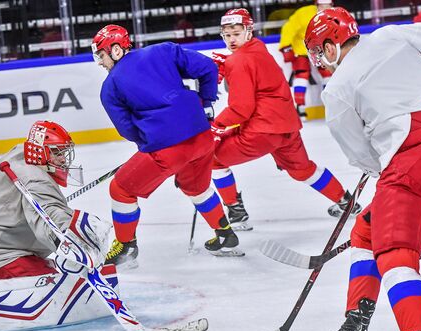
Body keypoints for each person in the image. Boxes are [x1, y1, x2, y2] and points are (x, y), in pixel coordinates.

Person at [305, 7, 421, 331]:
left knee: (396, 250)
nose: (320, 62)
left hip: (413, 161)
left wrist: (383, 165)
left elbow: (361, 156)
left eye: (319, 51)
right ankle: (355, 323)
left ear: (331, 46)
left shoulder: (337, 92)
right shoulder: (392, 37)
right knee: (366, 229)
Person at [0, 120, 117, 331]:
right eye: (56, 152)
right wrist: (82, 236)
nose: (63, 159)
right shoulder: (35, 180)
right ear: (39, 152)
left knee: (54, 270)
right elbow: (52, 227)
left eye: (63, 152)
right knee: (52, 283)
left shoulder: (20, 153)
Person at [91, 25, 243, 264]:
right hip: (202, 137)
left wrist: (149, 143)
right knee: (196, 188)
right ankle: (224, 234)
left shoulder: (110, 87)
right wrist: (206, 105)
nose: (100, 62)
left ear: (116, 49)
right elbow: (207, 68)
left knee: (120, 189)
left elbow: (127, 129)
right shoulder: (164, 50)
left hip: (167, 147)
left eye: (101, 55)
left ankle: (126, 246)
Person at [209, 8, 361, 232]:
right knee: (303, 169)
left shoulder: (238, 61)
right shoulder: (258, 48)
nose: (231, 39)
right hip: (287, 127)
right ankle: (346, 202)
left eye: (236, 33)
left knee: (212, 158)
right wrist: (232, 65)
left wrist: (215, 127)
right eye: (227, 34)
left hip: (261, 131)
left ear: (248, 31)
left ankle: (236, 213)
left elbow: (241, 108)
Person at [278, 0, 335, 119]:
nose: (324, 8)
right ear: (316, 5)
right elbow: (289, 28)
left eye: (328, 6)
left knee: (328, 73)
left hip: (320, 49)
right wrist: (286, 46)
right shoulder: (304, 13)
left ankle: (331, 105)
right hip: (301, 48)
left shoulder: (334, 15)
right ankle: (300, 107)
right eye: (321, 6)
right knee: (302, 74)